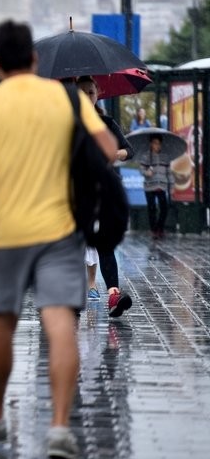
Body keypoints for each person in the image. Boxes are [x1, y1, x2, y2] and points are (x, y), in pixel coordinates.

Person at [0, 20, 117, 459]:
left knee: (2, 326)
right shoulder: (65, 98)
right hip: (61, 230)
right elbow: (105, 147)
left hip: (5, 234)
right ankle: (60, 426)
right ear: (33, 59)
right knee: (60, 323)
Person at [76, 76, 134, 316]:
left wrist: (116, 153)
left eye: (91, 92)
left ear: (97, 93)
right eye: (82, 92)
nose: (87, 97)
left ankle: (113, 295)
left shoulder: (107, 123)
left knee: (105, 244)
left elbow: (128, 150)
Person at [140, 133, 172, 239]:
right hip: (149, 186)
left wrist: (171, 185)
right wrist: (146, 172)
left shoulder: (165, 157)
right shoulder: (146, 156)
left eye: (159, 144)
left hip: (162, 186)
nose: (157, 146)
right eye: (155, 143)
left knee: (164, 208)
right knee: (152, 208)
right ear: (151, 144)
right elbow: (141, 169)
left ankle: (160, 228)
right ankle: (154, 230)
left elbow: (169, 172)